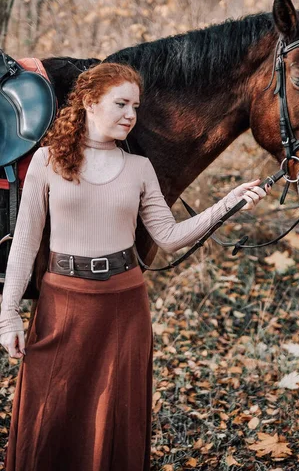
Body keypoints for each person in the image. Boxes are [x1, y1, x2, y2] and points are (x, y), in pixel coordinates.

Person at [0, 62, 270, 471]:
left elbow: (169, 235)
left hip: (123, 308)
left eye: (136, 106)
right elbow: (24, 243)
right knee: (49, 416)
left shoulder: (139, 169)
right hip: (62, 306)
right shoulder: (46, 161)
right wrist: (8, 315)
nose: (131, 115)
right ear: (90, 103)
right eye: (121, 103)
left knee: (114, 418)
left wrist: (228, 203)